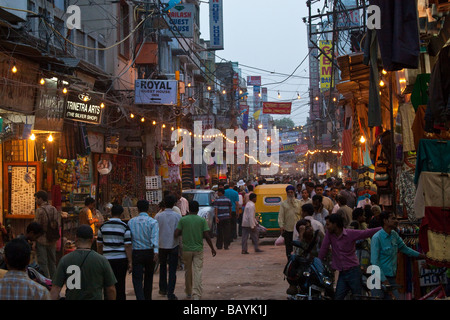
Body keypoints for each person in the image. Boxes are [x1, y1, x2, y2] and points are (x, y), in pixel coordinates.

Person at [318, 214, 381, 300]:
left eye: (328, 224)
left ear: (335, 224)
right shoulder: (329, 234)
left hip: (353, 270)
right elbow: (323, 249)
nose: (326, 227)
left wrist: (383, 228)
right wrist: (318, 263)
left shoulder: (350, 233)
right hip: (342, 272)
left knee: (357, 296)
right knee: (338, 296)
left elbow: (366, 233)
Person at [51, 225, 117, 300]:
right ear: (92, 240)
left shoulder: (65, 260)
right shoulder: (102, 260)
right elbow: (111, 289)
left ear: (76, 239)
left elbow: (56, 288)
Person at [370, 211, 425, 300]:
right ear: (385, 221)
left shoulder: (394, 235)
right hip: (378, 279)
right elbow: (374, 262)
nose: (396, 221)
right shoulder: (377, 238)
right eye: (393, 218)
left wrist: (421, 256)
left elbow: (405, 249)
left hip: (391, 278)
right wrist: (384, 280)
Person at [174, 201, 216, 300]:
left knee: (188, 271)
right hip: (198, 249)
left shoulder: (183, 220)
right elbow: (207, 235)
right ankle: (196, 294)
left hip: (186, 249)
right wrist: (212, 248)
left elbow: (176, 233)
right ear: (197, 210)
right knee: (198, 271)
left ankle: (188, 291)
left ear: (189, 210)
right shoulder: (202, 221)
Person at [97, 204, 132, 300]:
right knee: (120, 284)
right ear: (121, 214)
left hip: (106, 259)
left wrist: (100, 257)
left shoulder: (103, 226)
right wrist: (130, 261)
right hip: (121, 259)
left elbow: (99, 244)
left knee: (107, 284)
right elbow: (127, 245)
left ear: (111, 213)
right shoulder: (125, 226)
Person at [128, 199, 159, 300]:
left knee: (137, 278)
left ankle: (140, 297)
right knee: (148, 277)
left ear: (137, 209)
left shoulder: (131, 222)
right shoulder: (153, 222)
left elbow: (129, 240)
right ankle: (147, 297)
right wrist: (156, 251)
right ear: (148, 208)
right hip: (149, 252)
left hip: (136, 252)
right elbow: (155, 238)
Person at [155, 194, 181, 300]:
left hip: (161, 245)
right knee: (172, 269)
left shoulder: (158, 216)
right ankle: (171, 292)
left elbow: (155, 231)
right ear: (174, 204)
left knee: (162, 267)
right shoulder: (177, 216)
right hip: (173, 245)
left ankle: (163, 289)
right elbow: (179, 231)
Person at [33, 190, 60, 279]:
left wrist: (33, 241)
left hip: (41, 239)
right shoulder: (54, 209)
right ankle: (54, 281)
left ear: (41, 199)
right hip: (52, 239)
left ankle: (45, 281)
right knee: (52, 262)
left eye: (36, 199)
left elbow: (36, 226)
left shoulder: (39, 210)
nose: (36, 201)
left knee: (42, 262)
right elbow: (57, 224)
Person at [278, 185, 302, 259]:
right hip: (288, 229)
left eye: (292, 192)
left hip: (298, 229)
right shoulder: (283, 204)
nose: (290, 194)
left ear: (294, 193)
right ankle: (289, 261)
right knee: (288, 247)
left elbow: (302, 214)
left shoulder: (299, 203)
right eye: (289, 192)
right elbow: (281, 216)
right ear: (287, 193)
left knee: (298, 246)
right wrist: (281, 226)